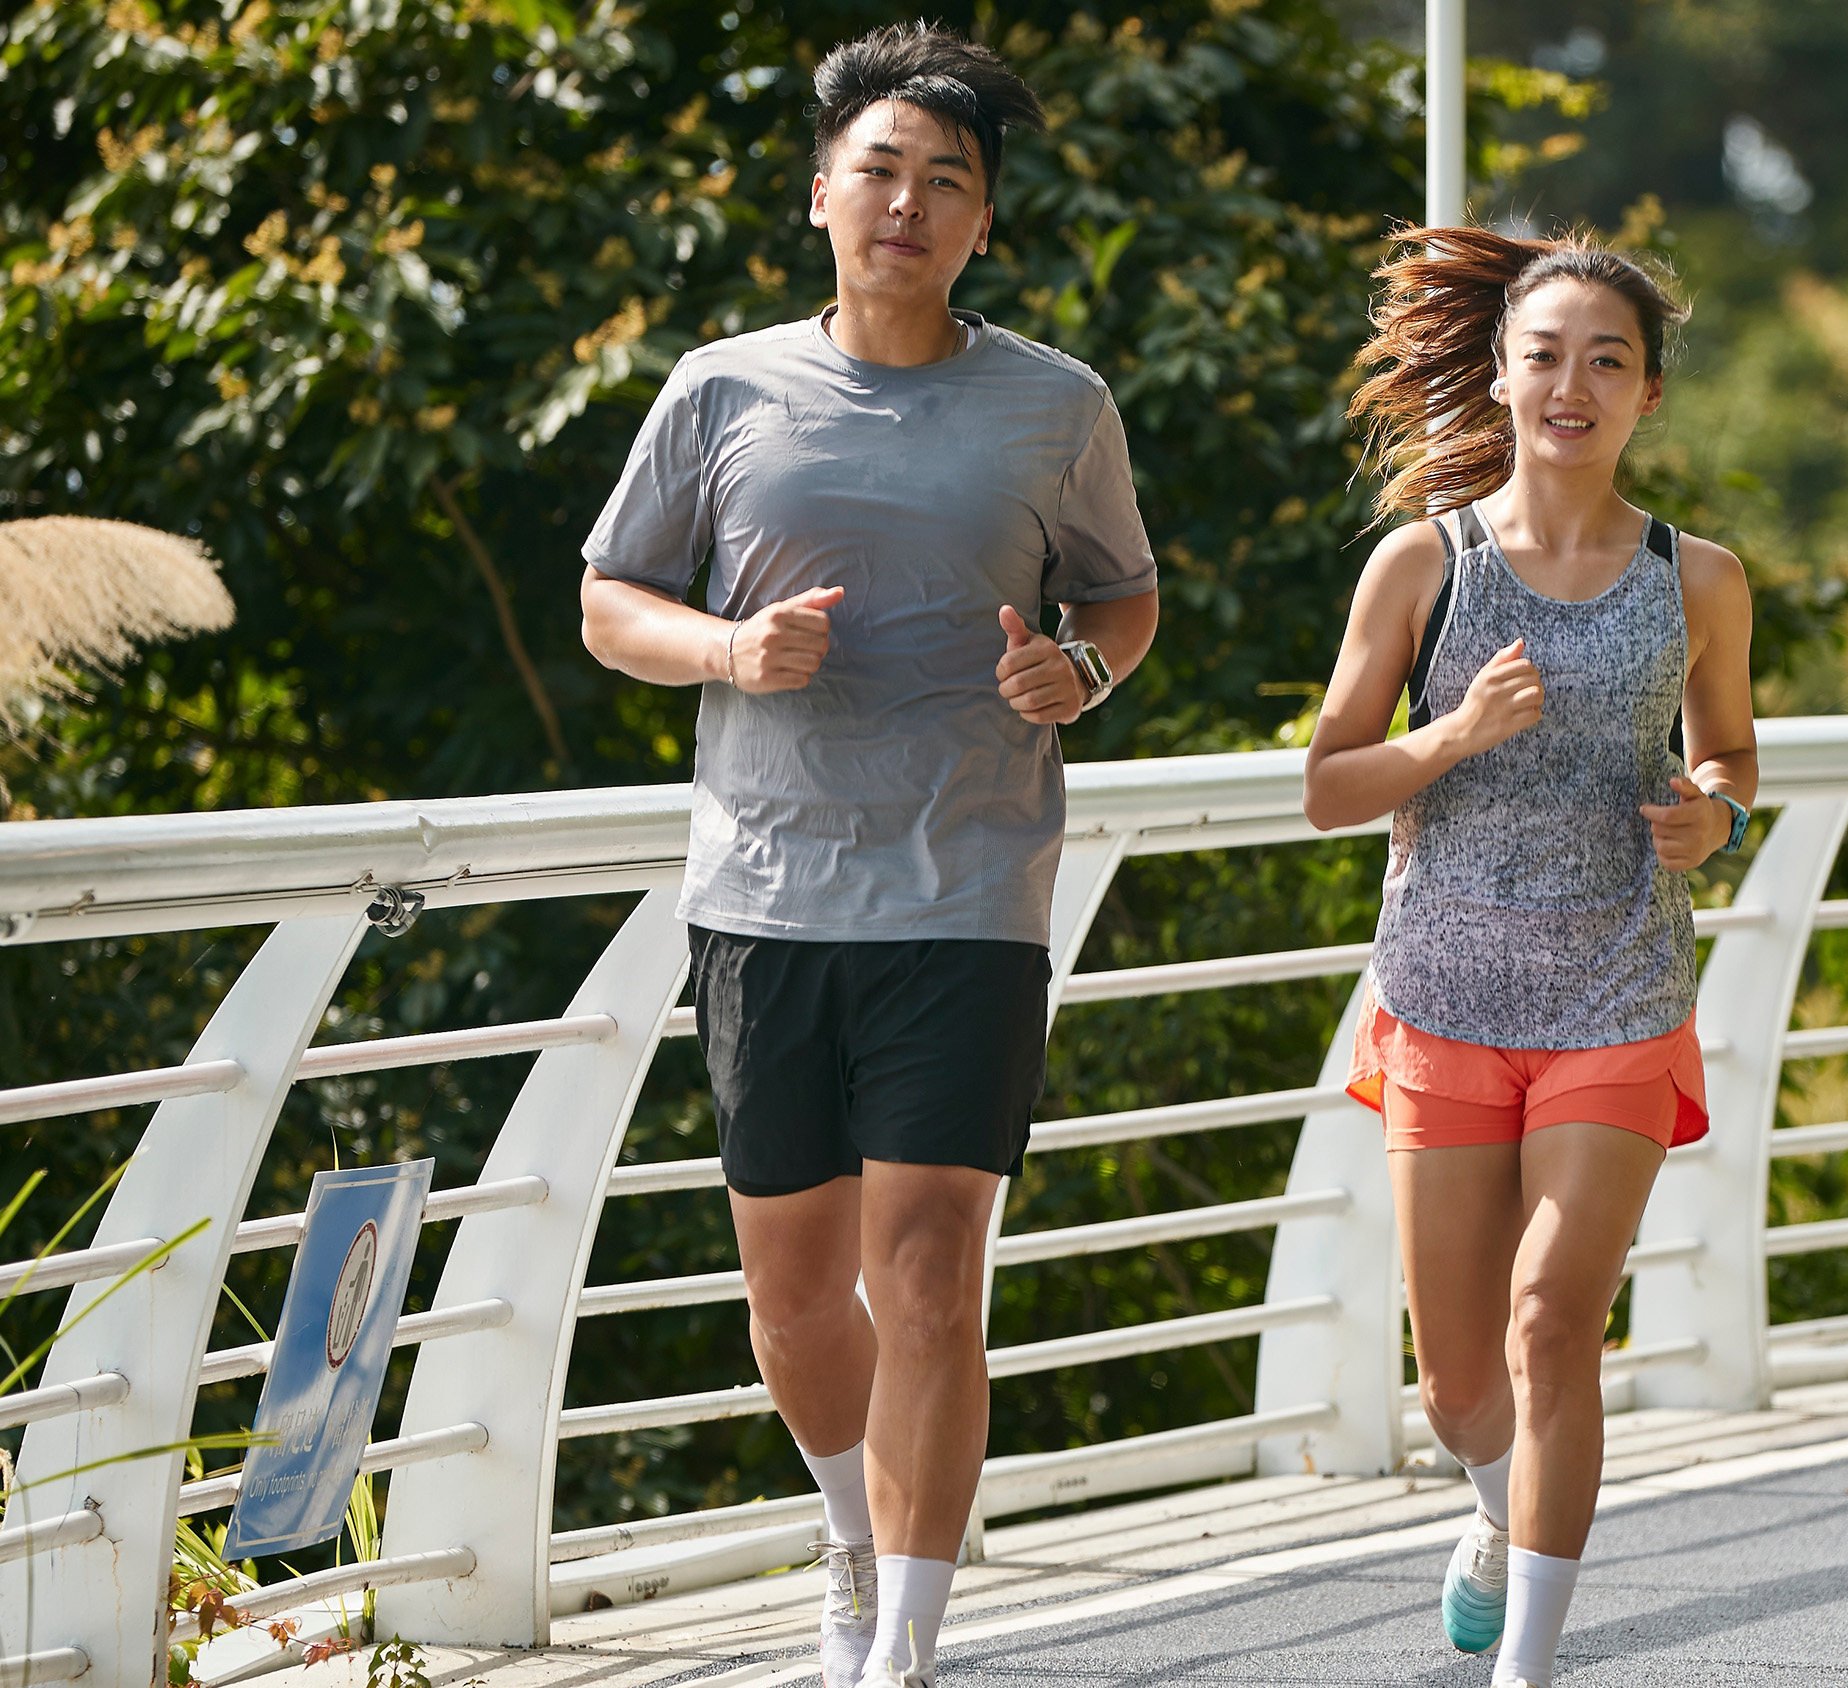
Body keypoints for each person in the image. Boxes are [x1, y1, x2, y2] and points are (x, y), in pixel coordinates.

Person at [574, 25, 1159, 1688]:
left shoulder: (1057, 404)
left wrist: (1086, 670)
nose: (909, 202)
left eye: (947, 181)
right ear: (822, 192)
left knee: (928, 1273)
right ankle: (849, 1527)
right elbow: (615, 602)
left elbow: (1122, 592)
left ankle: (900, 1641)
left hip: (971, 893)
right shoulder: (724, 388)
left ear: (985, 225)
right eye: (881, 170)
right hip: (764, 894)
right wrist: (729, 653)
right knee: (794, 1295)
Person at [1302, 226, 1756, 1688]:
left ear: (1649, 397)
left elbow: (1729, 749)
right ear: (1498, 376)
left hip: (1617, 989)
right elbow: (1328, 783)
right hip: (1443, 997)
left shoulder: (1701, 577)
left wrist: (1715, 816)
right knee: (1457, 1385)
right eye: (1545, 355)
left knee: (1556, 1318)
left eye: (1607, 361)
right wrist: (1449, 737)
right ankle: (1496, 1512)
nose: (1573, 384)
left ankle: (1533, 1670)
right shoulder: (1421, 566)